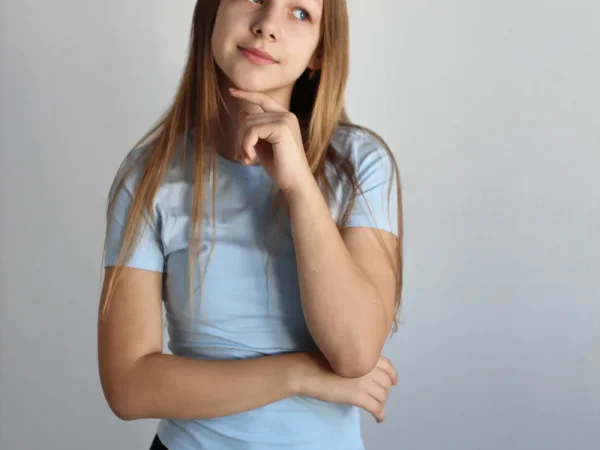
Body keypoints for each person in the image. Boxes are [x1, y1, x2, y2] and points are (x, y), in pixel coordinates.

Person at [97, 0, 404, 449]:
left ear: (320, 52)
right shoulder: (149, 176)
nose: (267, 26)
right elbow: (129, 387)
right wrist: (301, 375)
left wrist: (299, 187)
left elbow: (355, 352)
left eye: (300, 12)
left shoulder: (360, 166)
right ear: (214, 11)